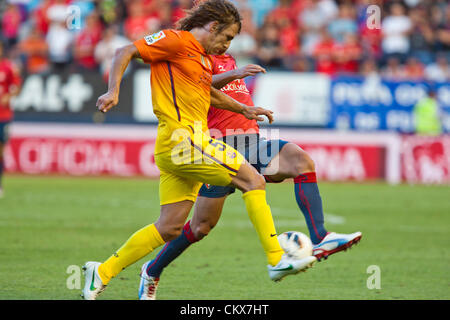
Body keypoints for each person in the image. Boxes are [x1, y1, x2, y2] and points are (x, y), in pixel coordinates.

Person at [81, 0, 316, 300]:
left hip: (178, 144)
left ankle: (101, 272)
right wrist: (113, 89)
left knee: (169, 227)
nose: (227, 45)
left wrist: (244, 110)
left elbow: (208, 95)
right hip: (185, 140)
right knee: (252, 180)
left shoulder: (202, 60)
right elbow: (123, 51)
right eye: (227, 37)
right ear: (214, 26)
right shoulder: (176, 41)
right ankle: (276, 259)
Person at [139, 54, 363, 300]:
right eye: (226, 33)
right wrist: (233, 75)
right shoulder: (193, 56)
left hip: (250, 141)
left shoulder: (227, 57)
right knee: (201, 226)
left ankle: (320, 237)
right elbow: (194, 86)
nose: (228, 40)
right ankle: (151, 271)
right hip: (216, 147)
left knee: (301, 161)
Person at [0, 41, 22, 198]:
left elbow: (16, 87)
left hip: (3, 115)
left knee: (0, 150)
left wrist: (9, 96)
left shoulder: (8, 67)